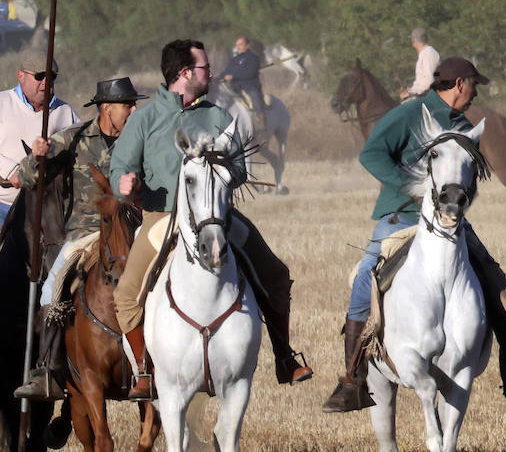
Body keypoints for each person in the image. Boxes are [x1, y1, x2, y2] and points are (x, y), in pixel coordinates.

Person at [109, 39, 311, 400]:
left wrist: (225, 176)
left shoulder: (218, 117)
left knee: (276, 276)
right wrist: (123, 181)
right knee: (125, 294)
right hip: (162, 218)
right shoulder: (146, 117)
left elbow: (239, 169)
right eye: (205, 68)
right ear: (184, 73)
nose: (211, 74)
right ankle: (144, 370)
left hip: (217, 217)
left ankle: (284, 355)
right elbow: (122, 164)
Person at [324, 56, 506, 412]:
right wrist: (410, 187)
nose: (476, 93)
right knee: (364, 284)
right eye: (474, 85)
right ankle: (352, 379)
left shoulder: (462, 124)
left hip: (449, 224)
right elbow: (371, 154)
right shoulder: (410, 114)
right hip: (403, 218)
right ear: (460, 84)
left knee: (495, 280)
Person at [13, 77, 147, 400]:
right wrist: (38, 156)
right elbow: (27, 178)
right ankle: (48, 370)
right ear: (106, 108)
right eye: (126, 105)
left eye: (133, 104)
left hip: (134, 235)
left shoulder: (142, 141)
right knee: (50, 290)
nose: (133, 109)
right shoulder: (73, 140)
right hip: (84, 236)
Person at [0, 55, 81, 226]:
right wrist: (11, 171)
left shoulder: (66, 112)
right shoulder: (2, 103)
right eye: (39, 76)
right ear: (20, 76)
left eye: (51, 77)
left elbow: (81, 154)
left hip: (50, 207)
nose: (45, 82)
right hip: (3, 203)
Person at [221, 35, 267, 115]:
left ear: (247, 45)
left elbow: (249, 73)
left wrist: (233, 76)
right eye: (237, 45)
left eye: (240, 45)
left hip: (250, 87)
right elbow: (226, 72)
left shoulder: (254, 58)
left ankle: (262, 123)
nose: (238, 47)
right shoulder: (234, 59)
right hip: (234, 87)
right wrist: (215, 78)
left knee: (258, 105)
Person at [400, 28, 441, 101]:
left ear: (413, 41)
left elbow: (430, 80)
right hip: (424, 95)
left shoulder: (428, 53)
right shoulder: (425, 53)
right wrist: (410, 90)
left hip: (430, 98)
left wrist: (412, 92)